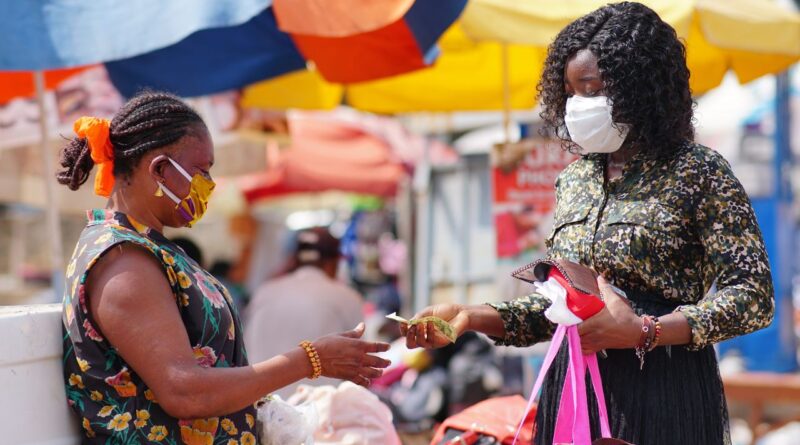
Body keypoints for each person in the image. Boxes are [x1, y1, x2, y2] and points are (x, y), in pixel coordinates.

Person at [402, 3, 774, 445]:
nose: (580, 105)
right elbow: (556, 307)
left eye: (593, 89)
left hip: (662, 391)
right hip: (575, 391)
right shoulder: (574, 179)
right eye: (572, 92)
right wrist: (468, 318)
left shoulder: (698, 171)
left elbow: (753, 296)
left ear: (641, 89)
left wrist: (645, 331)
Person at [58, 92, 389, 444]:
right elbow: (184, 391)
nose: (209, 185)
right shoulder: (123, 260)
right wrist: (310, 360)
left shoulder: (151, 249)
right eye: (202, 171)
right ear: (160, 170)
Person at [244, 227, 365, 398]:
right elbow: (359, 358)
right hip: (320, 410)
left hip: (261, 403)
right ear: (333, 262)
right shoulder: (346, 296)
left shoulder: (264, 292)